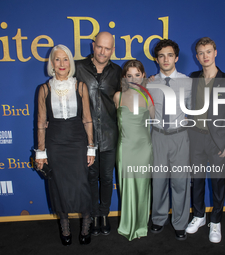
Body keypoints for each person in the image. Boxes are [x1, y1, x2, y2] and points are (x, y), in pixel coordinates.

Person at [34, 44, 96, 246]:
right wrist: (41, 152)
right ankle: (65, 227)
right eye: (57, 59)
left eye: (66, 59)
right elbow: (41, 123)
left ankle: (87, 223)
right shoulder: (44, 89)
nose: (62, 64)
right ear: (52, 63)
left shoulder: (80, 87)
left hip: (78, 141)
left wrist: (90, 147)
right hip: (55, 143)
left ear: (71, 62)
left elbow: (87, 119)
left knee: (82, 186)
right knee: (58, 186)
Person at [185, 37, 225, 243]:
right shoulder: (192, 78)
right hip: (196, 139)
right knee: (197, 182)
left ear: (215, 53)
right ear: (196, 56)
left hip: (218, 141)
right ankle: (199, 216)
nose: (204, 56)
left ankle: (216, 221)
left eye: (208, 51)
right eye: (200, 53)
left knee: (218, 184)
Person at [75, 32, 122, 236]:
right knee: (91, 177)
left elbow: (129, 99)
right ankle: (93, 215)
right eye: (100, 47)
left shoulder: (118, 71)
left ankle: (104, 214)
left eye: (108, 48)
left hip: (111, 135)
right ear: (93, 46)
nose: (103, 52)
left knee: (106, 177)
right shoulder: (77, 68)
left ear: (112, 50)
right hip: (86, 136)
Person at [148, 39, 192, 241]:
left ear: (176, 57)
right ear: (156, 59)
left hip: (180, 137)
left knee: (181, 183)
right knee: (158, 182)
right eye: (161, 56)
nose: (166, 59)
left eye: (170, 55)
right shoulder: (149, 83)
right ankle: (158, 219)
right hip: (157, 136)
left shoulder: (188, 82)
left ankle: (181, 223)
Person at [113, 60, 154, 241]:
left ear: (143, 75)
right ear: (124, 77)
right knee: (127, 188)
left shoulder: (149, 96)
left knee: (142, 187)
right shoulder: (118, 97)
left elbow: (157, 122)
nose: (133, 79)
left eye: (137, 75)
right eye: (129, 75)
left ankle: (141, 225)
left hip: (144, 148)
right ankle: (128, 225)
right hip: (125, 148)